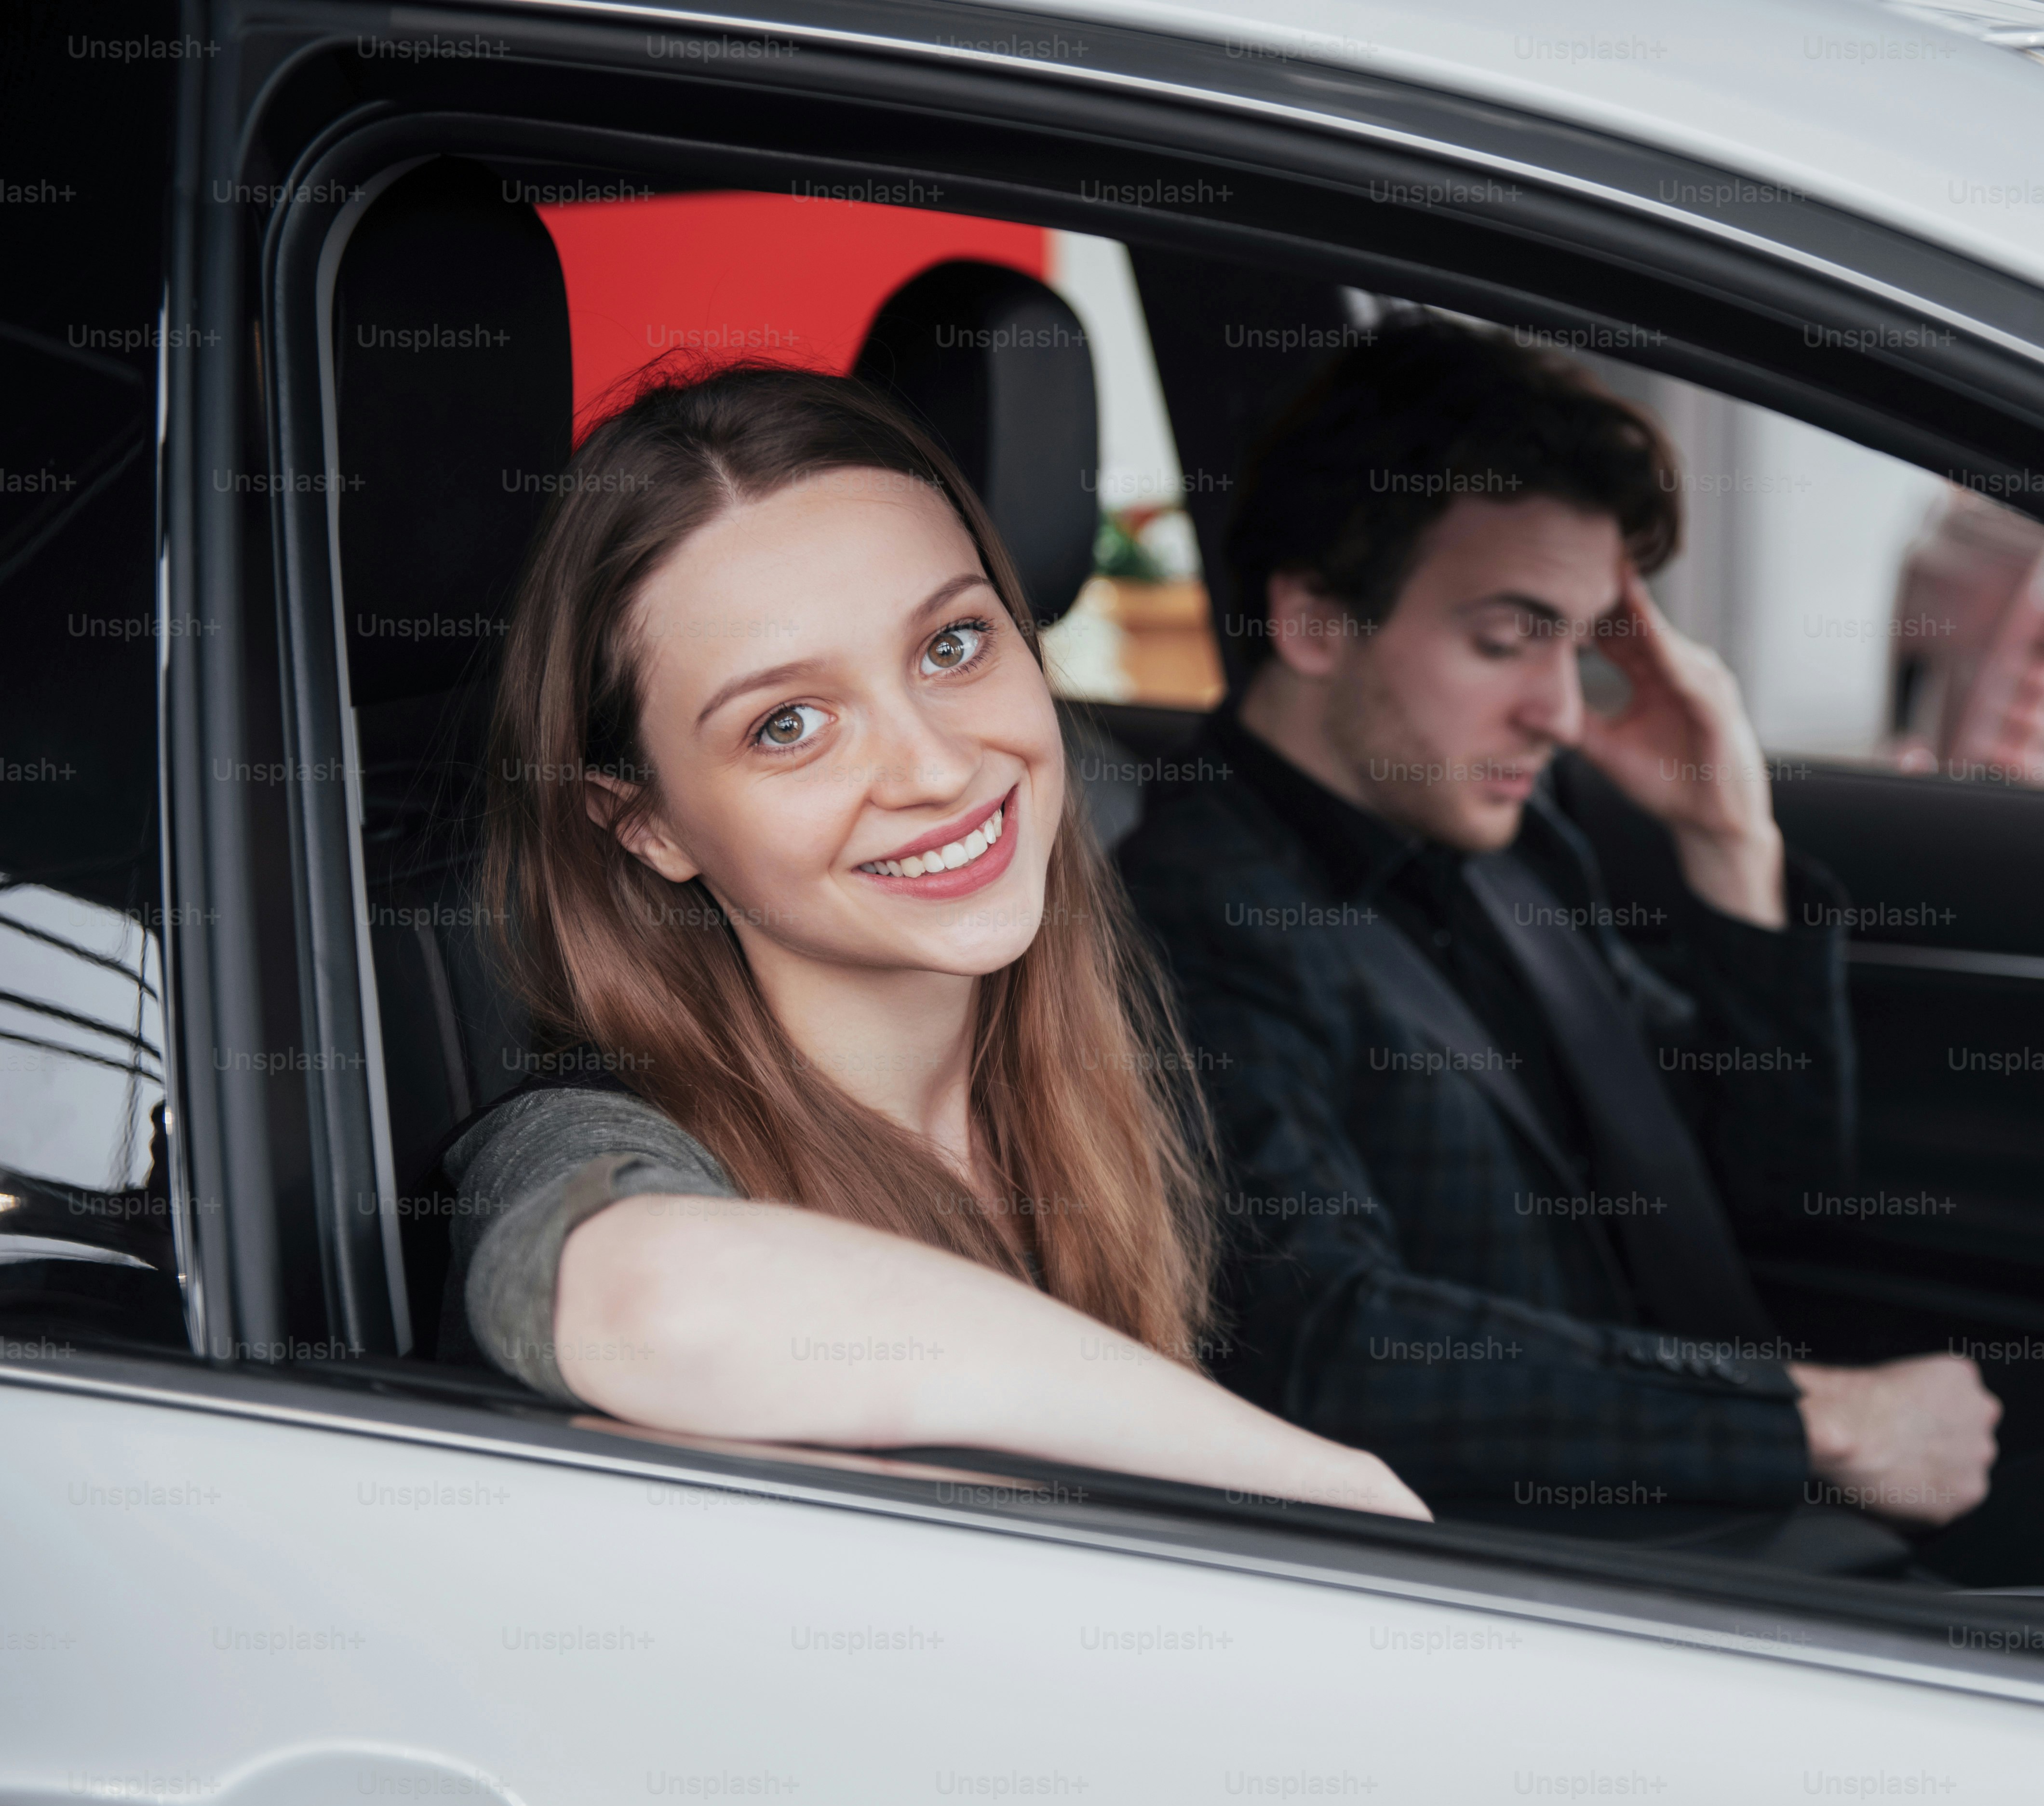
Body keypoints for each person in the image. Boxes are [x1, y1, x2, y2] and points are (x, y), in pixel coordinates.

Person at [1120, 321, 2044, 1602]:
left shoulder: (1497, 846)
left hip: (1713, 1437)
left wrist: (1731, 845)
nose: (1559, 708)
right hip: (1590, 1551)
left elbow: (1770, 1187)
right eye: (1505, 640)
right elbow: (1325, 1347)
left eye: (1573, 643)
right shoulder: (1197, 916)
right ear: (1310, 620)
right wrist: (1819, 1422)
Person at [442, 363, 1426, 1522]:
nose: (938, 768)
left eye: (952, 647)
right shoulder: (583, 1138)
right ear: (648, 824)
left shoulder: (1094, 1063)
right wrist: (1312, 1484)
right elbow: (653, 1304)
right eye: (789, 725)